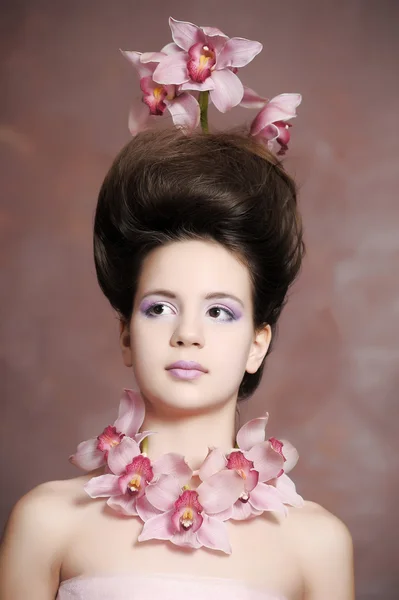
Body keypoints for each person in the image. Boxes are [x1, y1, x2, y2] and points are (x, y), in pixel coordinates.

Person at [0, 126, 355, 599]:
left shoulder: (317, 546)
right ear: (126, 333)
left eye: (219, 312)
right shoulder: (46, 523)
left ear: (257, 344)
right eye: (159, 308)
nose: (187, 334)